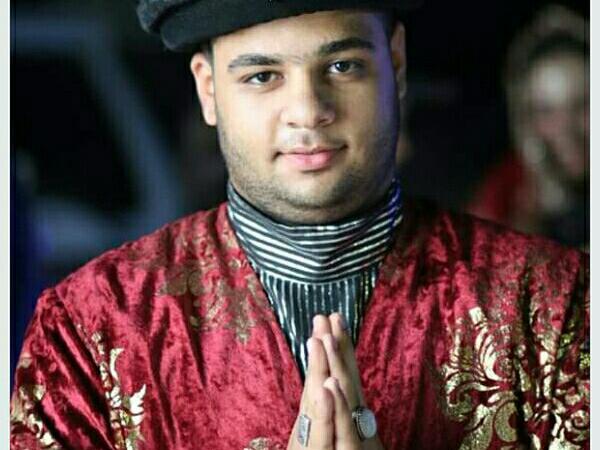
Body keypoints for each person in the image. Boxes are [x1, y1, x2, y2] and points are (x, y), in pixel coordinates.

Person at [11, 1, 589, 449]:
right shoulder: (89, 330)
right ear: (208, 89)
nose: (309, 110)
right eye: (263, 76)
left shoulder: (554, 303)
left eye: (342, 66)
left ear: (396, 64)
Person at [469, 5, 589, 250]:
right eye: (546, 110)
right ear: (526, 120)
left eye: (583, 104)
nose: (566, 129)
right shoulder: (504, 198)